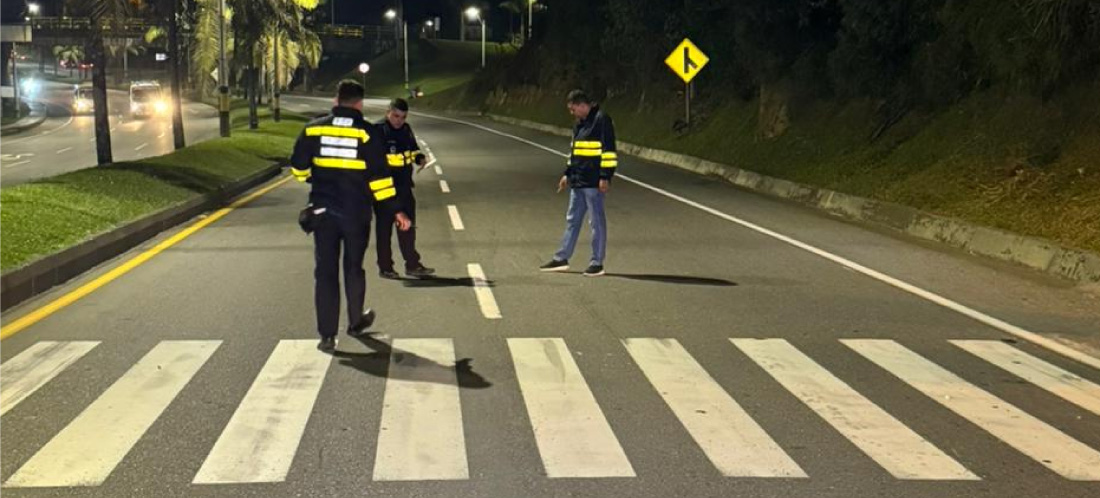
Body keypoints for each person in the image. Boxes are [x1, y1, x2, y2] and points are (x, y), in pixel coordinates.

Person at [291, 80, 412, 352]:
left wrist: (316, 179)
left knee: (325, 272)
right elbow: (381, 181)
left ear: (337, 100)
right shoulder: (368, 134)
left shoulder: (313, 129)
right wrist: (396, 210)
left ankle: (327, 335)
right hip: (356, 214)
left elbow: (298, 169)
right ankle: (355, 322)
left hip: (322, 213)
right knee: (353, 268)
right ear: (359, 103)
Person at [540, 89, 618, 277]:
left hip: (593, 182)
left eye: (573, 109)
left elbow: (609, 151)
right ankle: (562, 258)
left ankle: (597, 262)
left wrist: (605, 176)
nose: (572, 113)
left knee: (596, 222)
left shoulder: (601, 120)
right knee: (572, 220)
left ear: (583, 105)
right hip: (578, 180)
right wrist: (567, 174)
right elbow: (573, 151)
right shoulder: (579, 124)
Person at [373, 98, 435, 279]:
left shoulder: (406, 130)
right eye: (395, 116)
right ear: (388, 112)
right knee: (384, 231)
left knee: (408, 229)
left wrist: (419, 158)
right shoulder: (378, 131)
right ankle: (386, 267)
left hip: (405, 187)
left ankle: (413, 265)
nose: (398, 120)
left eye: (403, 117)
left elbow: (413, 150)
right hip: (384, 189)